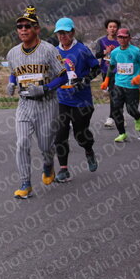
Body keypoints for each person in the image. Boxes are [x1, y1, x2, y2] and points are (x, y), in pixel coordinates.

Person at [5, 6, 67, 198]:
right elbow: (14, 72)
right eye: (20, 26)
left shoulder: (49, 50)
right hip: (25, 104)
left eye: (27, 26)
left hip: (47, 104)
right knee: (22, 142)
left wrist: (45, 88)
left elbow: (63, 76)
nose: (23, 30)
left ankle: (48, 164)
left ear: (37, 29)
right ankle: (25, 183)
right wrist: (11, 83)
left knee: (45, 146)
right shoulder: (12, 53)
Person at [52, 18, 101, 182]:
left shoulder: (82, 50)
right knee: (60, 135)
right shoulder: (54, 52)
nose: (62, 36)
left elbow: (96, 68)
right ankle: (63, 169)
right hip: (61, 100)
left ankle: (89, 150)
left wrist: (85, 80)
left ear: (72, 32)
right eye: (59, 33)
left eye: (65, 32)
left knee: (81, 135)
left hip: (82, 101)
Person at [101, 28, 140, 143]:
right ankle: (122, 133)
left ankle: (138, 118)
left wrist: (139, 76)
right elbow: (112, 66)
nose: (122, 39)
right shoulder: (115, 52)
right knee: (116, 110)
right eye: (120, 37)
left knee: (131, 110)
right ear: (117, 38)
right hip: (118, 85)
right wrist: (106, 80)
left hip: (132, 86)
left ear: (129, 38)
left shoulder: (136, 51)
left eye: (125, 37)